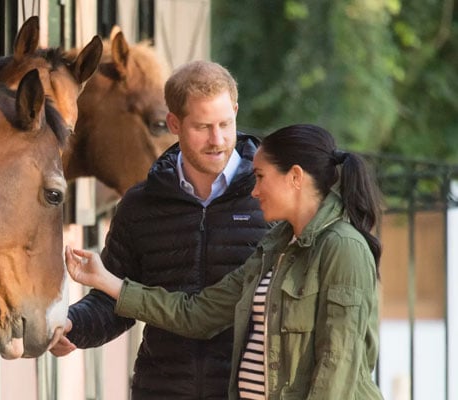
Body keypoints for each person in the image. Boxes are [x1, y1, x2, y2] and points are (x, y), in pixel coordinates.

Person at [65, 123, 385, 400]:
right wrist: (106, 281)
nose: (255, 190)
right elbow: (198, 314)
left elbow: (337, 363)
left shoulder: (343, 247)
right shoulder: (274, 247)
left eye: (261, 177)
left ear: (296, 177)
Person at [50, 60, 270, 399]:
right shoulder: (141, 204)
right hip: (161, 390)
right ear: (174, 124)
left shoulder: (268, 199)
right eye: (203, 127)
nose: (218, 140)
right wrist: (74, 325)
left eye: (226, 123)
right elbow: (115, 298)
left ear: (236, 111)